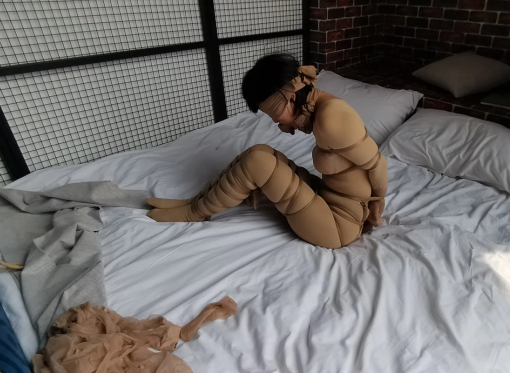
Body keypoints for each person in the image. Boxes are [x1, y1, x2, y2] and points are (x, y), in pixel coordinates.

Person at [146, 54, 387, 249]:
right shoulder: (322, 109)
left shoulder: (331, 119)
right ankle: (196, 202)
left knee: (258, 163)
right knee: (259, 152)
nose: (277, 123)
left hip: (338, 226)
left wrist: (377, 207)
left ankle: (194, 213)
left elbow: (378, 164)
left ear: (291, 98)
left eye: (275, 115)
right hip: (327, 198)